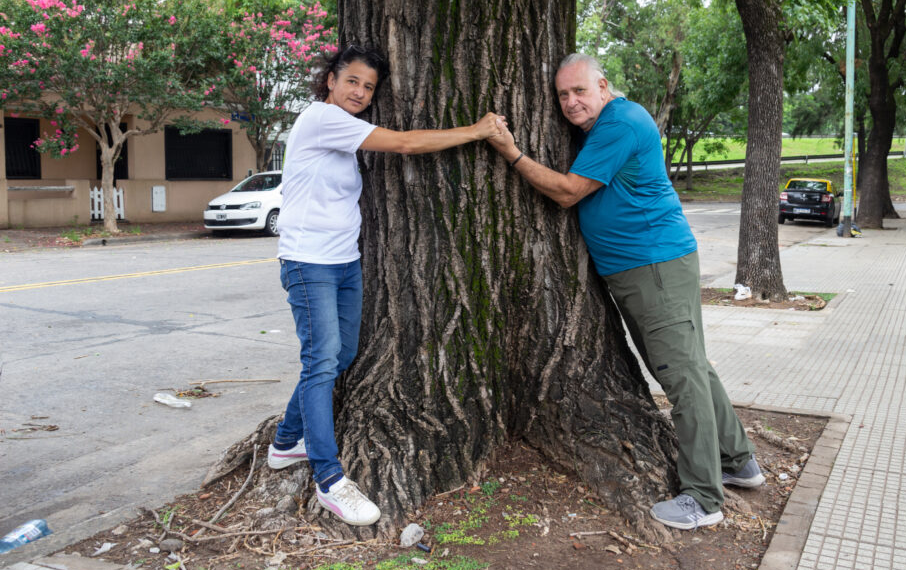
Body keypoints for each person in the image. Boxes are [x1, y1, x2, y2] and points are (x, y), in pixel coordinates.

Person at [486, 53, 764, 530]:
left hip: (653, 266)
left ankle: (703, 497)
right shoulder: (607, 123)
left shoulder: (621, 123)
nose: (570, 102)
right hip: (643, 266)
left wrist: (512, 152)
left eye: (580, 91)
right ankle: (739, 460)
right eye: (562, 95)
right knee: (691, 368)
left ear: (604, 86)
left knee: (682, 378)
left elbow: (569, 191)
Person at [267, 44, 505, 526]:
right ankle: (330, 479)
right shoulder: (320, 118)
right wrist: (477, 131)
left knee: (342, 355)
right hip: (308, 262)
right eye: (351, 80)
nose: (359, 92)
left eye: (368, 86)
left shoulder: (345, 130)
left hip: (343, 262)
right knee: (320, 362)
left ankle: (286, 441)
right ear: (331, 80)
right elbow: (404, 143)